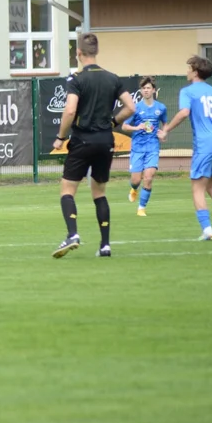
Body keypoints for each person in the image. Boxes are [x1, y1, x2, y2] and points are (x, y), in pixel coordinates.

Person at [51, 34, 135, 259]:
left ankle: (73, 235)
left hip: (82, 140)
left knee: (68, 190)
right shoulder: (112, 78)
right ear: (96, 52)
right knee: (99, 193)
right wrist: (113, 122)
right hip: (106, 141)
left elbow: (70, 110)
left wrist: (60, 137)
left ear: (78, 53)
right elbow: (130, 107)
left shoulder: (76, 79)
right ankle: (105, 245)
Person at [158, 55, 212, 241]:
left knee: (197, 188)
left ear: (195, 71)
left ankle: (207, 231)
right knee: (211, 185)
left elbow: (184, 112)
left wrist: (166, 129)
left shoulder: (188, 91)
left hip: (204, 145)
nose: (186, 71)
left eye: (188, 68)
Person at [121, 76, 167, 216]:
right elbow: (124, 126)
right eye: (144, 88)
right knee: (136, 180)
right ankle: (134, 189)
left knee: (148, 177)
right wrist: (137, 128)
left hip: (153, 147)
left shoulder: (161, 108)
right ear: (141, 91)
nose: (146, 90)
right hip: (138, 148)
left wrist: (164, 133)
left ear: (153, 90)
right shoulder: (135, 108)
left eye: (148, 88)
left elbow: (165, 124)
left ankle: (141, 208)